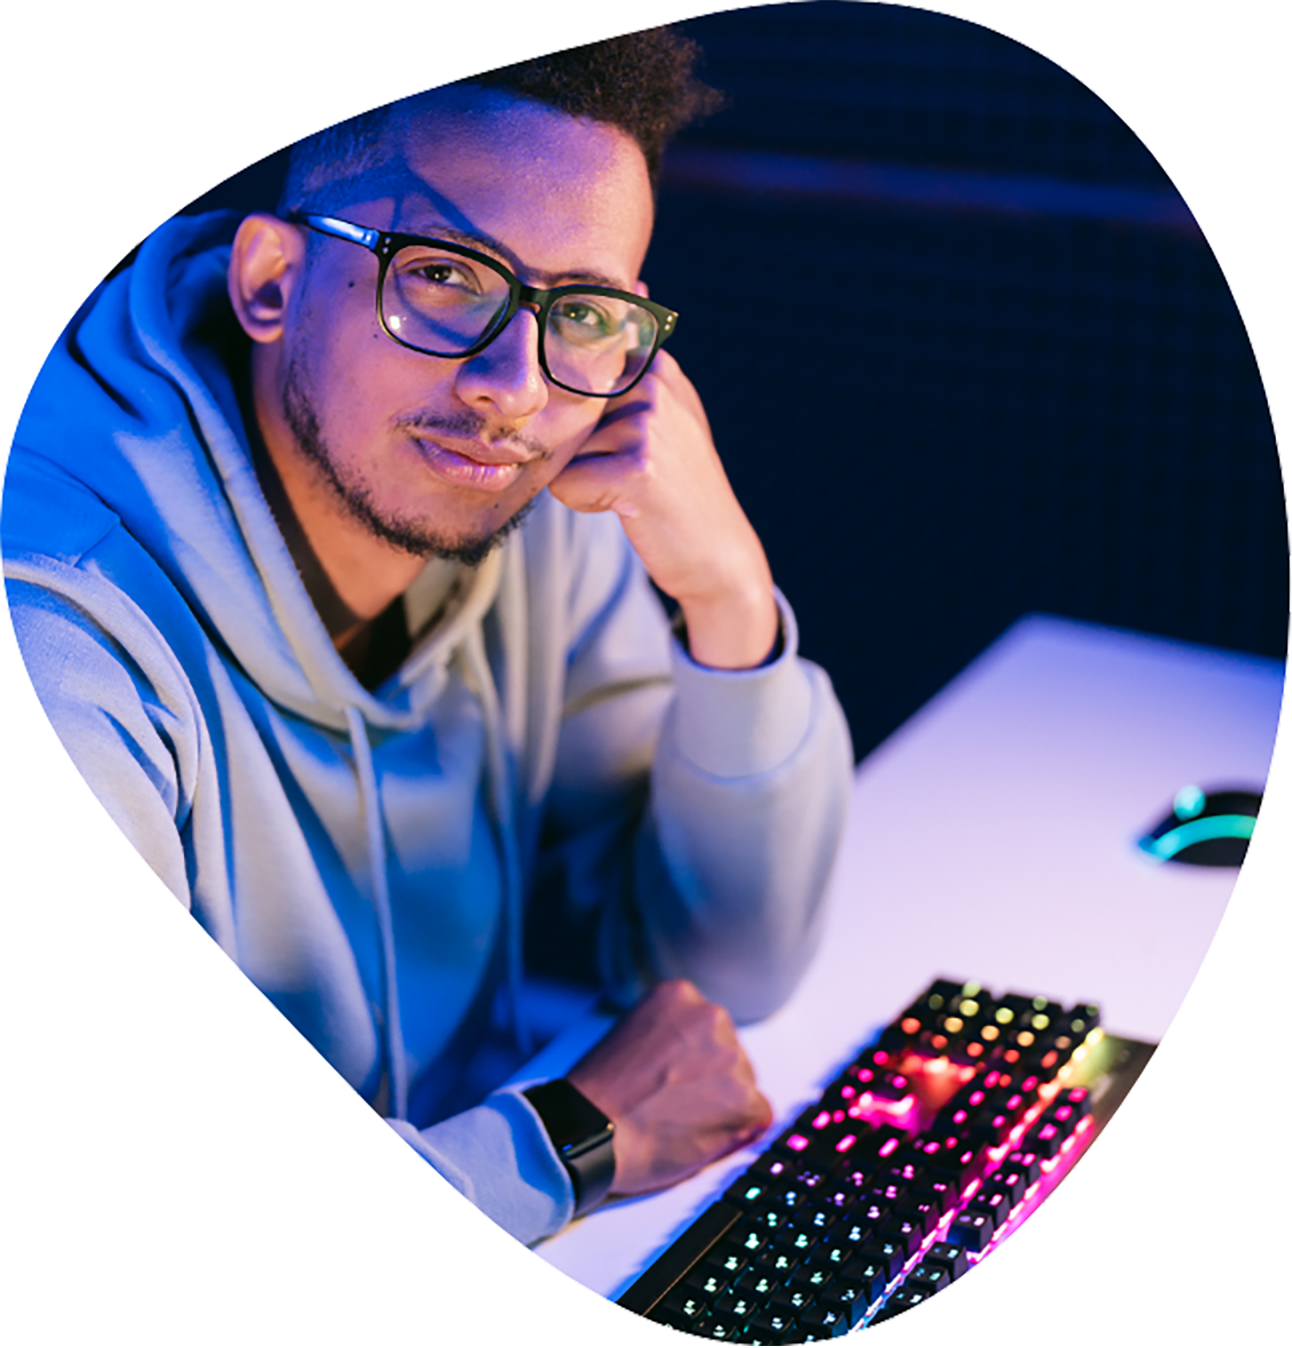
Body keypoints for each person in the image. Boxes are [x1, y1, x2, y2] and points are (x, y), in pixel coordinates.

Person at [2, 31, 852, 1244]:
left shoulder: (531, 519)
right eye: (446, 274)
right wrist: (562, 1140)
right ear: (269, 283)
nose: (516, 384)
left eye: (583, 310)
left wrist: (727, 600)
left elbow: (725, 974)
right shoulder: (60, 643)